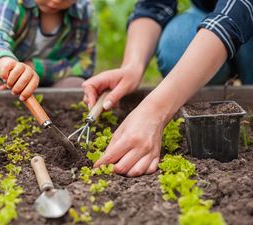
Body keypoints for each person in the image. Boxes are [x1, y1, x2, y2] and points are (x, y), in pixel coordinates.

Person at [82, 0, 253, 177]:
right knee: (176, 46)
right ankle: (211, 72)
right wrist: (132, 66)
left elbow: (237, 11)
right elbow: (154, 5)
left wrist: (155, 110)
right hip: (209, 10)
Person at [0, 0, 96, 100]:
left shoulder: (84, 12)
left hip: (46, 84)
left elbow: (84, 65)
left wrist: (35, 68)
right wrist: (5, 65)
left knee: (76, 85)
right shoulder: (14, 3)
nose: (55, 1)